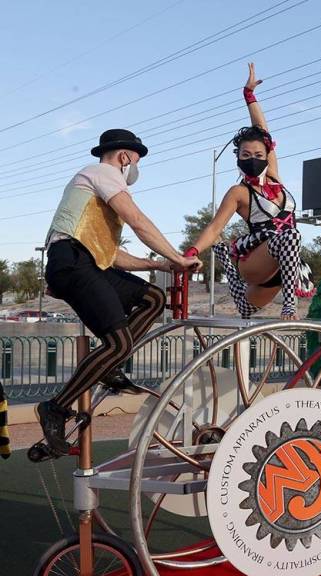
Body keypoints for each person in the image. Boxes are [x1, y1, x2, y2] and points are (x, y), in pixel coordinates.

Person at [38, 129, 201, 456]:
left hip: (87, 261)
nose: (135, 169)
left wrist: (165, 267)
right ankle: (55, 408)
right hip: (71, 262)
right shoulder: (103, 173)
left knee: (153, 298)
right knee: (119, 341)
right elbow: (138, 221)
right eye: (136, 161)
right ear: (125, 157)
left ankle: (110, 365)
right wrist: (178, 257)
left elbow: (112, 257)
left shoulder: (96, 193)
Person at [192, 63, 310, 320]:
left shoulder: (275, 177)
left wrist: (249, 95)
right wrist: (190, 253)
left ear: (267, 156)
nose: (253, 158)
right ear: (238, 158)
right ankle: (289, 306)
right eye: (246, 155)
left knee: (246, 309)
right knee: (290, 236)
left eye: (258, 154)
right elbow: (214, 228)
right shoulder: (239, 192)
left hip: (284, 267)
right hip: (256, 260)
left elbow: (264, 132)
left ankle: (225, 258)